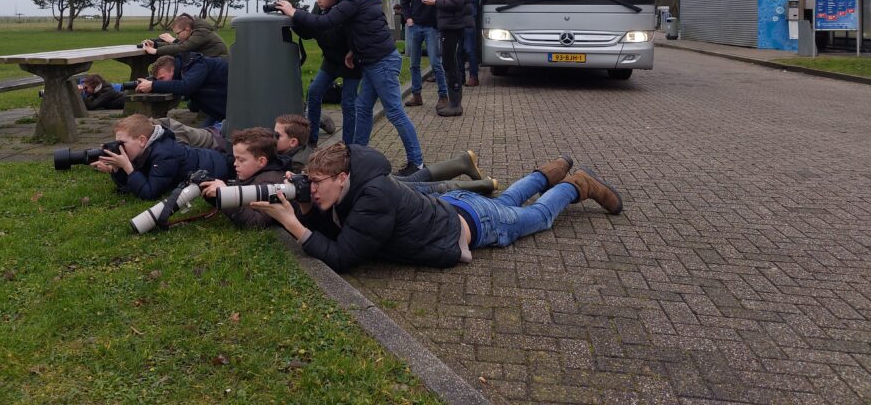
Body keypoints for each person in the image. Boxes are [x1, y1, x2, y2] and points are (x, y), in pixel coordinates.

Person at [251, 143, 623, 274]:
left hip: (477, 223)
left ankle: (577, 184)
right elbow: (341, 235)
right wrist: (303, 206)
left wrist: (293, 225)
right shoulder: (362, 184)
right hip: (456, 206)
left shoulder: (373, 198)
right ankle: (546, 173)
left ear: (342, 176)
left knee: (537, 218)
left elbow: (342, 258)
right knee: (507, 199)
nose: (312, 189)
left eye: (317, 184)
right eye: (309, 183)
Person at [275, 0, 425, 176]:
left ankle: (417, 163)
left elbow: (325, 23)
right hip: (373, 61)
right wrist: (354, 50)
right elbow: (365, 28)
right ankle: (356, 156)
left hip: (381, 62)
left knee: (395, 113)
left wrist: (293, 12)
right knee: (363, 109)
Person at [90, 114, 230, 200]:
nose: (119, 147)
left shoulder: (164, 154)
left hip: (217, 167)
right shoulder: (144, 150)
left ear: (142, 141)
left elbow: (150, 192)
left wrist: (127, 167)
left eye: (122, 143)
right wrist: (117, 168)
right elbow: (128, 187)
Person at [293, 0, 361, 149]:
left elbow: (331, 36)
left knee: (348, 102)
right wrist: (295, 20)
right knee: (314, 92)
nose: (318, 1)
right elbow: (309, 32)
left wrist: (313, 25)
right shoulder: (320, 8)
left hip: (351, 62)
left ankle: (347, 146)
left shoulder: (343, 9)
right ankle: (311, 140)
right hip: (331, 61)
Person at [199, 127, 287, 228]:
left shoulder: (270, 185)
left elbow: (256, 222)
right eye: (235, 158)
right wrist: (214, 195)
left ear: (261, 161)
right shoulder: (250, 172)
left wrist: (225, 195)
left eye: (241, 160)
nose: (235, 164)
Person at [422, 0, 473, 117]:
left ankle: (455, 104)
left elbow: (457, 1)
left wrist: (436, 1)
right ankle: (453, 102)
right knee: (449, 62)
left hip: (453, 25)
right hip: (451, 24)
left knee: (450, 63)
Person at [400, 0, 449, 110]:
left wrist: (436, 4)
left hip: (432, 28)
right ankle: (416, 95)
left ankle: (443, 96)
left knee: (436, 62)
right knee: (414, 64)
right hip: (415, 27)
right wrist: (408, 18)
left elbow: (446, 1)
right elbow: (404, 0)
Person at [135, 53, 228, 125]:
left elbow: (186, 86)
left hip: (233, 110)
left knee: (205, 140)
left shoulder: (197, 64)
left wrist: (153, 85)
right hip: (219, 112)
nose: (161, 82)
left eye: (162, 78)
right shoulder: (186, 68)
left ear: (172, 70)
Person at [142, 14, 229, 61]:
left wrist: (156, 51)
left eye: (178, 33)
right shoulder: (195, 31)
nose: (177, 36)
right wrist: (156, 44)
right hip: (212, 61)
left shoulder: (201, 32)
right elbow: (180, 43)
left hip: (219, 63)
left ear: (187, 30)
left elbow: (183, 47)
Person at [461, 0, 481, 88]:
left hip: (469, 21)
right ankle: (461, 77)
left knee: (469, 49)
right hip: (458, 21)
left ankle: (474, 77)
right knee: (459, 51)